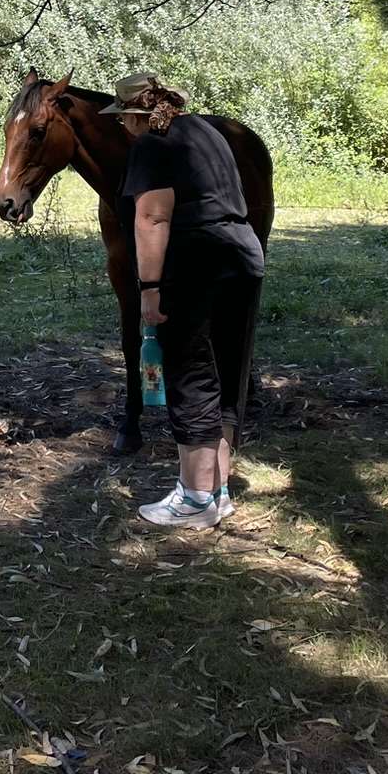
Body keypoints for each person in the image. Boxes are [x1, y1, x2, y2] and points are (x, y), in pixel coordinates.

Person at [106, 69, 265, 528]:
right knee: (226, 372)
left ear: (136, 115)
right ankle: (218, 490)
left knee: (190, 374)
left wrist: (149, 289)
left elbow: (152, 218)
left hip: (195, 266)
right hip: (243, 258)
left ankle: (194, 499)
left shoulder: (152, 145)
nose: (123, 126)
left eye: (123, 118)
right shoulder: (207, 133)